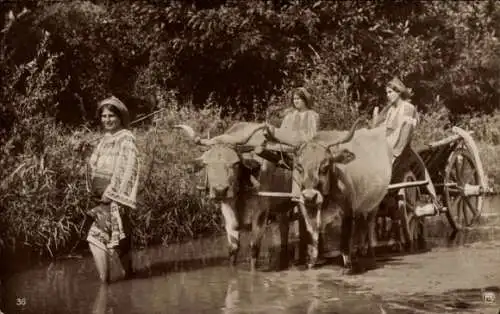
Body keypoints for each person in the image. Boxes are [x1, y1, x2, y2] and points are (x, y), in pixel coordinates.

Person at [86, 95, 140, 283]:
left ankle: (104, 285)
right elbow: (94, 163)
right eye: (104, 116)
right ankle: (130, 277)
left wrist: (113, 191)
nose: (107, 120)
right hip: (99, 194)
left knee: (95, 237)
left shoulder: (126, 138)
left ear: (120, 117)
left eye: (111, 116)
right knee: (122, 239)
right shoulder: (104, 139)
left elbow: (128, 166)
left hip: (113, 195)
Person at [374, 77, 444, 216]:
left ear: (398, 92)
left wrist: (395, 153)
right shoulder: (390, 110)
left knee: (421, 170)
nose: (388, 96)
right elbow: (382, 130)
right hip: (387, 147)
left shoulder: (408, 108)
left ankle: (434, 199)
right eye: (387, 93)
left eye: (390, 92)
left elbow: (406, 133)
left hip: (402, 149)